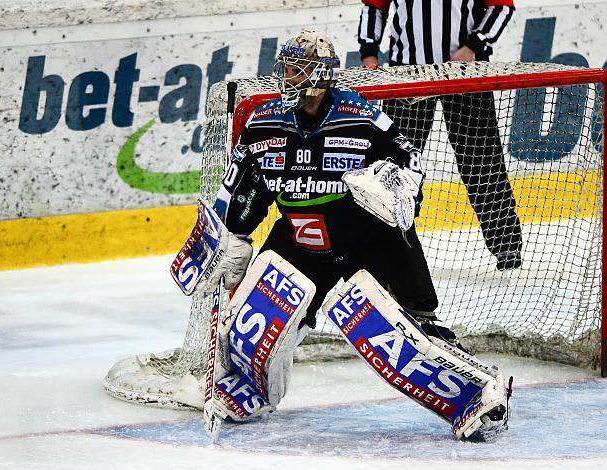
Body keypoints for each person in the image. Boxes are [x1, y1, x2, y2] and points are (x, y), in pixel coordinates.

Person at [193, 29, 509, 440]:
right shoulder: (262, 123)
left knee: (407, 334)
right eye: (285, 70)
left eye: (295, 71)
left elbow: (411, 165)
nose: (286, 78)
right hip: (300, 240)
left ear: (319, 75)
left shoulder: (363, 118)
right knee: (251, 333)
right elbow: (241, 186)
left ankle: (477, 393)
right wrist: (229, 235)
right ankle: (243, 386)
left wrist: (396, 189)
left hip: (367, 241)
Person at [358, 0, 523, 270]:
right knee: (393, 167)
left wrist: (473, 47)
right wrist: (369, 54)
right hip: (407, 75)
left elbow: (501, 6)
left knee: (481, 161)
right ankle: (383, 244)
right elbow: (373, 7)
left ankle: (506, 245)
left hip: (466, 74)